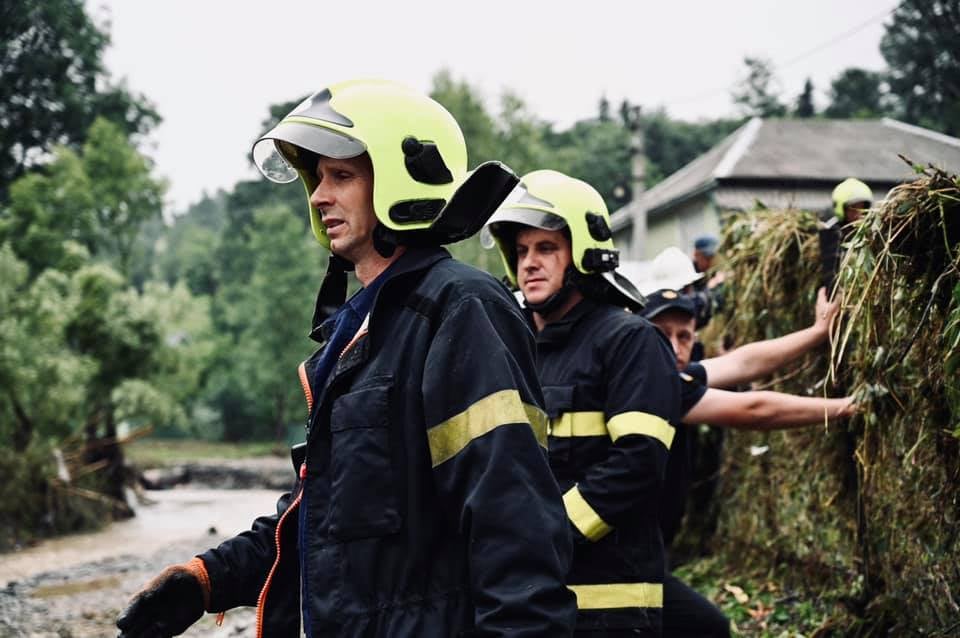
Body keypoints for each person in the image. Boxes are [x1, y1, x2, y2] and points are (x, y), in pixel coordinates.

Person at [116, 79, 577, 638]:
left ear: (403, 178)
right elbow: (320, 521)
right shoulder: (358, 334)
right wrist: (207, 579)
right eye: (315, 179)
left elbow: (515, 524)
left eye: (341, 175)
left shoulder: (461, 309)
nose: (317, 196)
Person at [484, 169, 680, 637]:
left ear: (585, 253)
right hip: (532, 598)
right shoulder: (520, 350)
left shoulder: (630, 341)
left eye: (546, 248)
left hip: (612, 605)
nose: (529, 262)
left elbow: (639, 462)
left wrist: (547, 535)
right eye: (522, 250)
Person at [641, 288, 855, 638]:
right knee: (707, 627)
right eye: (662, 334)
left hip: (642, 554)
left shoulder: (671, 375)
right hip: (619, 562)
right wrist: (845, 407)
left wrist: (817, 332)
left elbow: (743, 363)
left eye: (684, 336)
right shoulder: (652, 385)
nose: (676, 348)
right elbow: (755, 410)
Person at [819, 177, 873, 293]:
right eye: (853, 209)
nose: (858, 214)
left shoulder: (869, 231)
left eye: (862, 208)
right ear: (841, 209)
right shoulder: (830, 230)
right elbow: (830, 270)